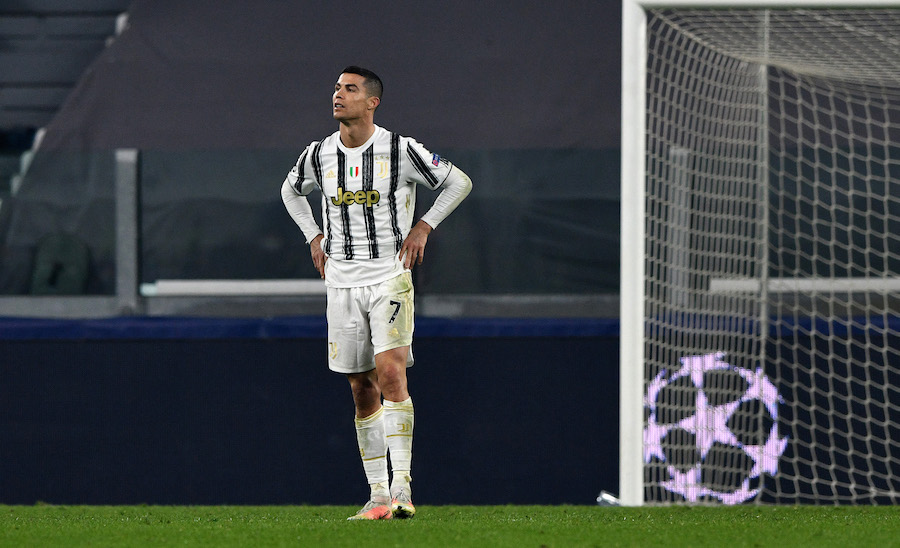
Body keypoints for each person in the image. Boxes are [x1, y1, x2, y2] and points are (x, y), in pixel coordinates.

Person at [281, 66, 472, 520]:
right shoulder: (318, 154)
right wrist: (313, 236)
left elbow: (458, 182)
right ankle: (378, 496)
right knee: (361, 388)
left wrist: (424, 226)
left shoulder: (400, 149)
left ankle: (403, 487)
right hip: (341, 282)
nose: (338, 95)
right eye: (336, 88)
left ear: (372, 102)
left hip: (389, 275)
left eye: (349, 89)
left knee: (390, 373)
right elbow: (290, 192)